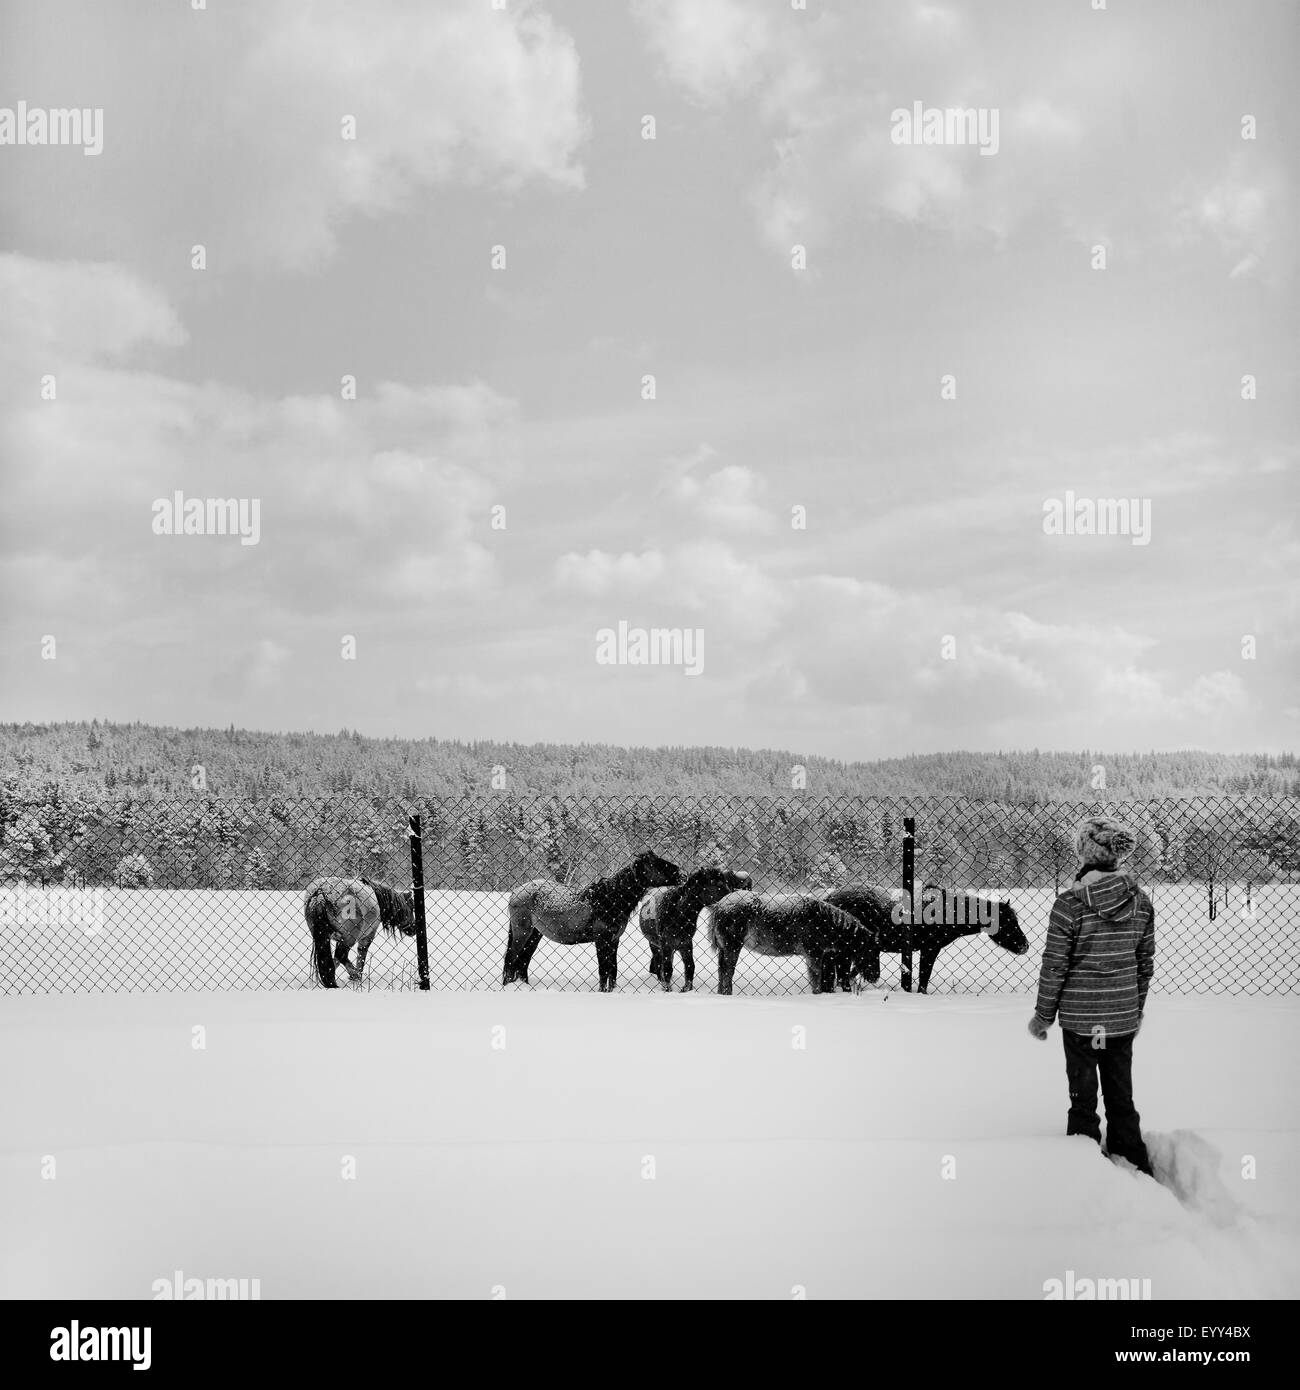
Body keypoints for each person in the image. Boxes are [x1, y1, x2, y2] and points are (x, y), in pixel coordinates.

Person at [1029, 818, 1155, 1175]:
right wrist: (1136, 1009)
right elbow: (1144, 964)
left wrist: (1043, 1016)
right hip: (1120, 1015)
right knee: (1121, 1095)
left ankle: (1083, 1167)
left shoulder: (1069, 904)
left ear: (1083, 853)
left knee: (1082, 1097)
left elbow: (1054, 966)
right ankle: (1131, 1155)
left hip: (1081, 1019)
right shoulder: (1141, 903)